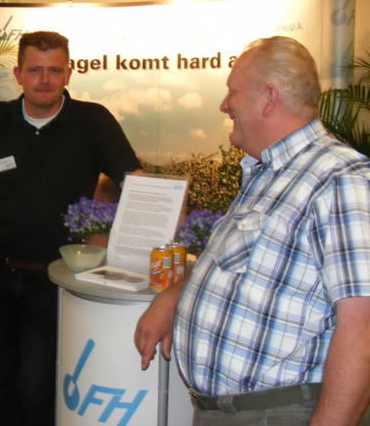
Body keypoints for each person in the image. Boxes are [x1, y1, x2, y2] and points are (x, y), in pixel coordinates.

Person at [135, 36, 370, 426]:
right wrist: (174, 296)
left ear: (269, 97)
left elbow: (363, 326)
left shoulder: (340, 179)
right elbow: (240, 266)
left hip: (278, 414)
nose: (224, 104)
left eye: (233, 91)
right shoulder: (268, 173)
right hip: (230, 412)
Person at [0, 31, 141, 426]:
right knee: (3, 382)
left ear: (68, 73)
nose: (45, 80)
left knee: (38, 386)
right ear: (18, 74)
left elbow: (132, 179)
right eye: (35, 70)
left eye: (54, 70)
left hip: (56, 278)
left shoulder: (92, 121)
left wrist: (152, 214)